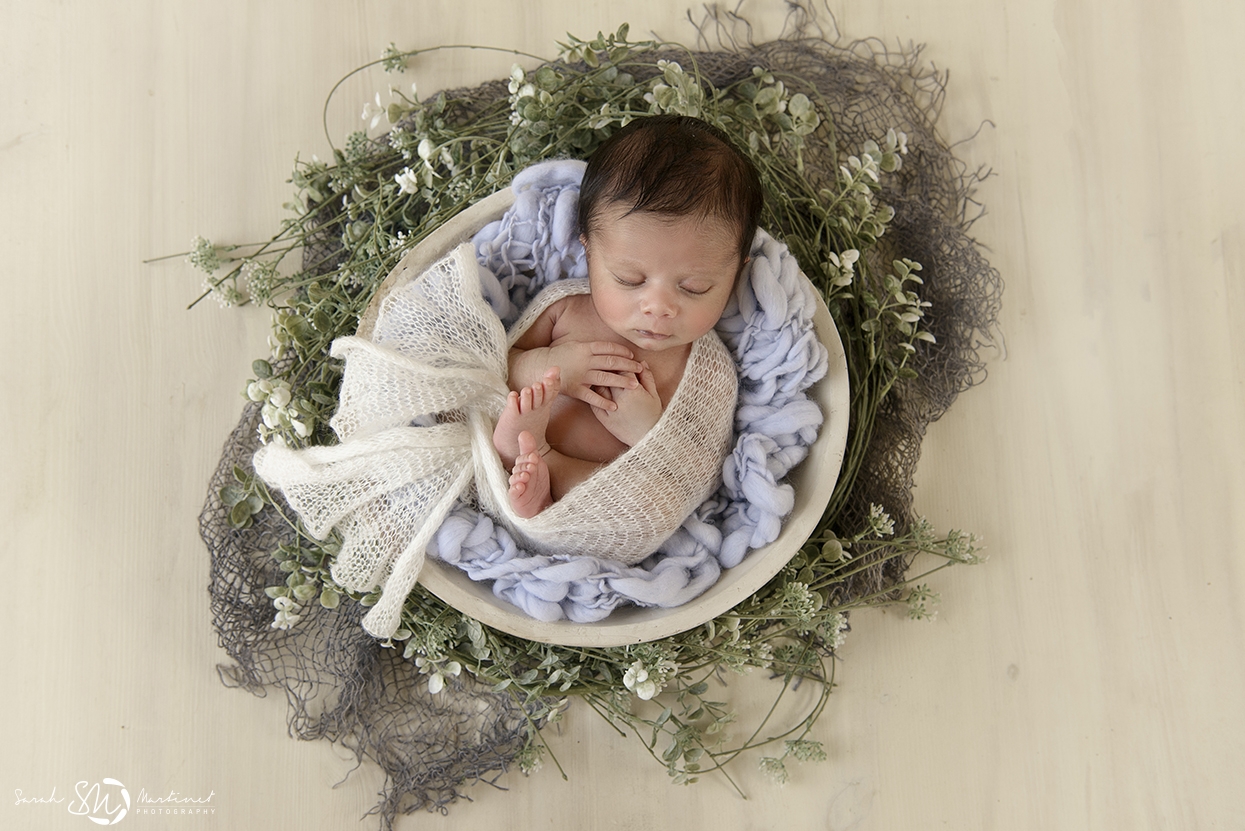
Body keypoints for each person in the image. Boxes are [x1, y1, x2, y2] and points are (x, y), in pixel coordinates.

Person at [491, 114, 763, 518]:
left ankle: (551, 480)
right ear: (589, 252)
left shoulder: (708, 372)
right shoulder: (563, 306)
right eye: (628, 278)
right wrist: (551, 367)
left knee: (654, 500)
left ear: (735, 273)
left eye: (694, 288)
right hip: (523, 452)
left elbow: (697, 471)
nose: (658, 307)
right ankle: (526, 458)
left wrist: (648, 432)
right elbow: (501, 367)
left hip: (607, 492)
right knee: (498, 420)